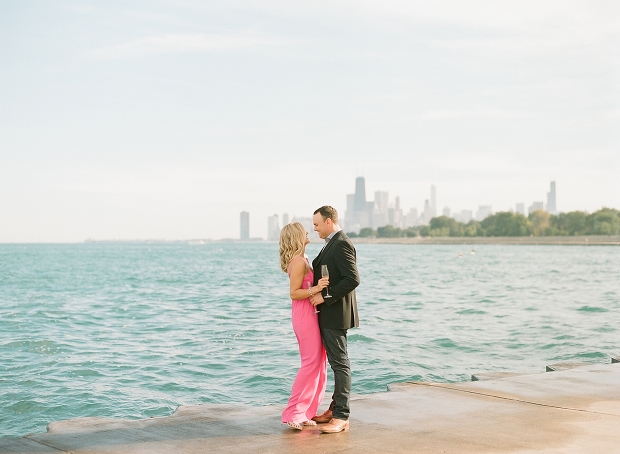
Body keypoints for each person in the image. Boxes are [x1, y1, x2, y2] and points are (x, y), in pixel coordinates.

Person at [310, 206, 360, 434]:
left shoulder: (341, 243)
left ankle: (342, 416)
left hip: (336, 313)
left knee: (340, 364)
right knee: (335, 363)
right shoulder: (333, 242)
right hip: (329, 313)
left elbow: (352, 279)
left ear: (329, 222)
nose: (315, 229)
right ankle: (334, 409)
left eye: (317, 224)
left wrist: (324, 296)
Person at [279, 222, 330, 430]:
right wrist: (316, 289)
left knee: (319, 363)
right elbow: (294, 293)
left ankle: (306, 412)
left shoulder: (305, 258)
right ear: (297, 236)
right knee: (310, 364)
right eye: (304, 231)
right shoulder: (298, 261)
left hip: (311, 314)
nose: (309, 232)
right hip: (304, 316)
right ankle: (293, 413)